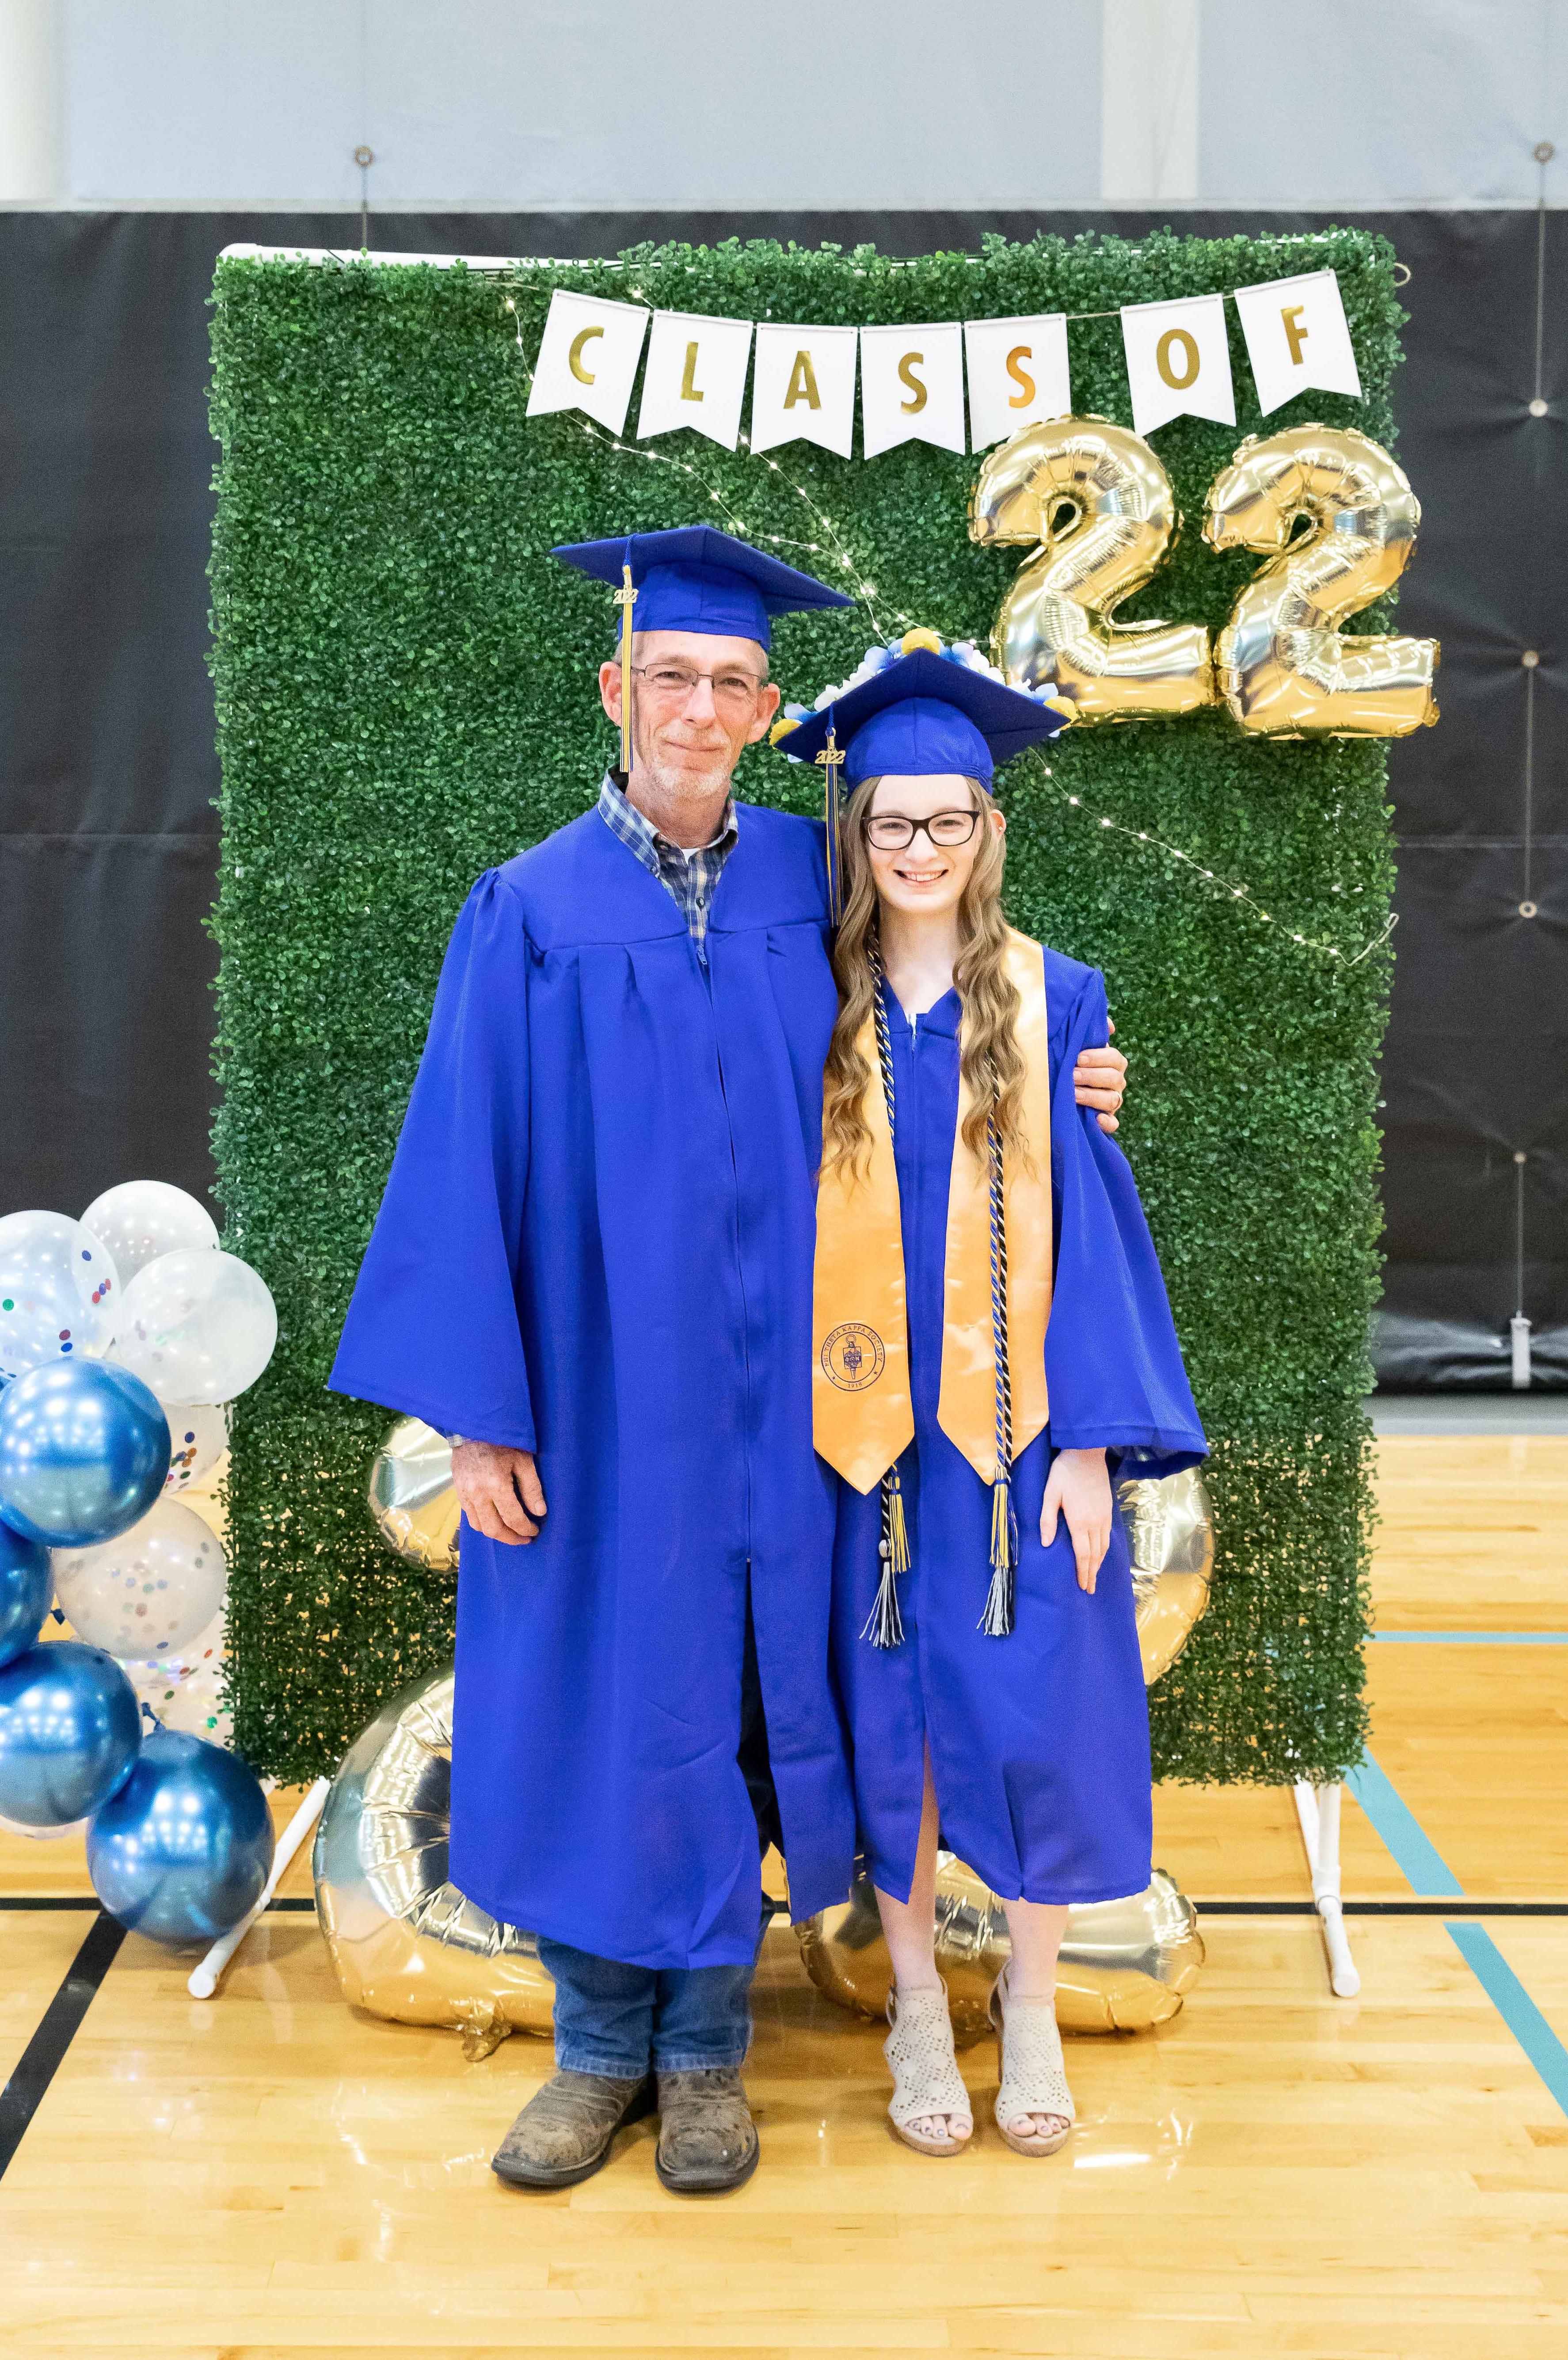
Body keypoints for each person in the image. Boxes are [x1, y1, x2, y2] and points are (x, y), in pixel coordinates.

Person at [329, 535, 1132, 2197]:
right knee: (600, 1701)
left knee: (739, 1706)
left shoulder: (807, 890)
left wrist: (1076, 1079)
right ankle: (595, 2048)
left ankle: (705, 2055)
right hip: (602, 1398)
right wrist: (479, 1412)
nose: (699, 707)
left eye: (731, 683)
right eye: (670, 677)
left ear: (770, 716)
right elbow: (456, 1157)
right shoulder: (531, 908)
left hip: (796, 1407)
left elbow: (940, 1039)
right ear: (618, 693)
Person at [783, 640, 1205, 2162]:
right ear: (855, 834)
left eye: (944, 822)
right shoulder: (802, 999)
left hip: (1007, 1441)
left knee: (1026, 1717)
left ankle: (1025, 2007)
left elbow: (1092, 1230)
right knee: (885, 1726)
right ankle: (911, 2006)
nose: (915, 850)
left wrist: (1088, 1440)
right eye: (888, 824)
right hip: (847, 1444)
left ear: (985, 831)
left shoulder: (1052, 996)